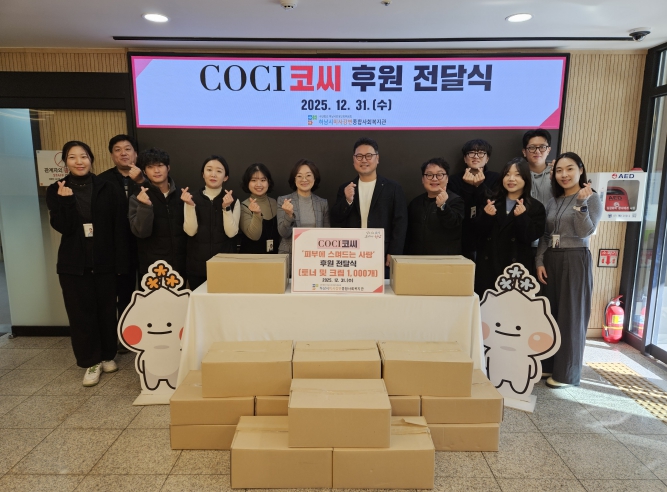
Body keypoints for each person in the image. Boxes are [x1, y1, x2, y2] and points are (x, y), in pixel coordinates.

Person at [46, 141, 128, 387]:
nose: (79, 161)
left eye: (83, 156)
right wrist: (66, 202)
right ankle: (90, 361)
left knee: (106, 310)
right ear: (65, 161)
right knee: (81, 314)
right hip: (73, 264)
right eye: (72, 157)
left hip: (105, 261)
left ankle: (107, 355)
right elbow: (63, 227)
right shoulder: (57, 189)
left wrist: (121, 263)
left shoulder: (107, 187)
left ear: (91, 159)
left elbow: (119, 226)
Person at [536, 152, 602, 389]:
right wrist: (539, 261)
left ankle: (567, 374)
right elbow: (546, 235)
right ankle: (549, 364)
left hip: (575, 258)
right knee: (550, 313)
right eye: (559, 170)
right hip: (551, 259)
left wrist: (581, 204)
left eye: (570, 169)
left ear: (581, 170)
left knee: (571, 315)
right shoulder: (553, 201)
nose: (564, 174)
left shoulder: (592, 198)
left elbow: (585, 232)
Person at [330, 137, 407, 277]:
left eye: (369, 156)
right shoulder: (346, 188)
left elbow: (400, 222)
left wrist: (394, 252)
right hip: (352, 253)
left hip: (382, 253)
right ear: (353, 160)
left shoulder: (393, 188)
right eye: (359, 156)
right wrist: (347, 201)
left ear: (377, 158)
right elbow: (336, 219)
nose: (364, 160)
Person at [98, 134, 144, 353]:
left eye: (127, 149)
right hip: (117, 247)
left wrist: (141, 182)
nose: (123, 153)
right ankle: (124, 337)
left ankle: (147, 334)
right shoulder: (102, 181)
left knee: (147, 291)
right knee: (122, 294)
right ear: (111, 155)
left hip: (145, 245)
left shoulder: (147, 176)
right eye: (118, 149)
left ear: (135, 153)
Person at [474, 158, 546, 295]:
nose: (511, 179)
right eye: (507, 174)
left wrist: (522, 217)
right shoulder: (491, 202)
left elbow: (531, 236)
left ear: (526, 178)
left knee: (513, 306)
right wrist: (487, 216)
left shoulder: (535, 207)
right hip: (489, 267)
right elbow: (477, 233)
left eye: (517, 175)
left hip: (516, 270)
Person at [182, 155, 240, 290]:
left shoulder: (233, 200)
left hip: (225, 266)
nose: (213, 174)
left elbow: (231, 233)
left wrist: (226, 208)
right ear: (203, 174)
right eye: (209, 170)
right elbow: (190, 231)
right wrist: (190, 206)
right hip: (197, 267)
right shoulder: (191, 198)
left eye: (219, 171)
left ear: (226, 177)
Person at [128, 148, 188, 280]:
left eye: (160, 165)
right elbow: (141, 232)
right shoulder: (138, 197)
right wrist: (145, 206)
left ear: (168, 167)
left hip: (180, 265)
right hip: (152, 268)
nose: (156, 171)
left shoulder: (182, 195)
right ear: (144, 171)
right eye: (150, 167)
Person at [448, 139, 501, 261]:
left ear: (487, 159)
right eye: (471, 153)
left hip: (488, 237)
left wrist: (480, 186)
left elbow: (494, 206)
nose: (476, 156)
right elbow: (459, 210)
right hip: (462, 238)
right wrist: (467, 187)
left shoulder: (496, 178)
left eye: (481, 153)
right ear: (465, 158)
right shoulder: (454, 180)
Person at [277, 159, 330, 270]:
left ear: (314, 178)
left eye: (308, 175)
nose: (304, 179)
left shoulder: (322, 203)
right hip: (290, 258)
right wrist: (289, 215)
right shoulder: (284, 201)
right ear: (294, 179)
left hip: (315, 257)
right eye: (299, 176)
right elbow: (283, 233)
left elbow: (326, 234)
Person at [405, 157, 464, 255]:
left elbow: (453, 223)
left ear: (447, 178)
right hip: (417, 259)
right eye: (429, 175)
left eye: (440, 175)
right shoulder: (415, 203)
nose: (434, 179)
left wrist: (443, 206)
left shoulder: (456, 200)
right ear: (422, 179)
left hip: (445, 260)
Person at [239, 163, 281, 254]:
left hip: (275, 258)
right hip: (251, 258)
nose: (259, 184)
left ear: (268, 182)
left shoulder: (275, 202)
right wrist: (257, 214)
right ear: (247, 183)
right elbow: (254, 236)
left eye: (263, 180)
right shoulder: (243, 206)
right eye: (254, 180)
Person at [522, 128, 554, 207]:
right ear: (524, 152)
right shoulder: (518, 174)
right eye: (532, 147)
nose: (537, 151)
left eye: (542, 147)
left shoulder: (555, 173)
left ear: (548, 150)